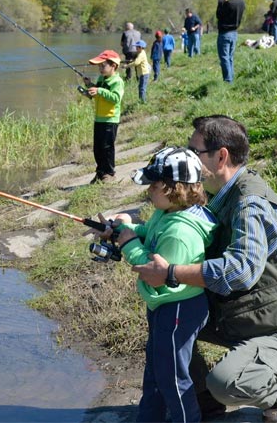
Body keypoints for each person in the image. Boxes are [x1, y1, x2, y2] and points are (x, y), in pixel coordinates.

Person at [131, 115, 277, 423]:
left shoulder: (250, 204)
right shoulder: (218, 194)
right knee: (168, 325)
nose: (188, 157)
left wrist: (171, 273)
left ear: (221, 156)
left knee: (228, 384)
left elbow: (240, 270)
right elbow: (178, 229)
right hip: (245, 313)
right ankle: (203, 399)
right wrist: (128, 234)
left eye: (194, 151)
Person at [93, 147, 217, 423]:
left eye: (154, 185)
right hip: (165, 309)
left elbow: (155, 274)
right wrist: (122, 231)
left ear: (174, 189)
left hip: (178, 309)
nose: (148, 190)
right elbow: (150, 233)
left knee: (172, 377)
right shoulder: (169, 213)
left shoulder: (180, 232)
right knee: (156, 371)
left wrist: (128, 245)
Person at [82, 50, 125, 184]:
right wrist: (90, 86)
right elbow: (98, 93)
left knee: (107, 148)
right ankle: (100, 172)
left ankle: (109, 173)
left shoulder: (117, 81)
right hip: (99, 118)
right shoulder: (101, 79)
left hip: (110, 119)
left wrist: (99, 90)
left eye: (103, 65)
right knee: (98, 148)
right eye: (99, 66)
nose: (100, 68)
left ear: (114, 66)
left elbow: (116, 98)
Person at [216, 0, 246, 83]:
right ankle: (231, 78)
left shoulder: (229, 4)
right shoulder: (242, 2)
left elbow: (219, 15)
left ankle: (228, 81)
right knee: (230, 58)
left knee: (224, 58)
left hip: (225, 33)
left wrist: (221, 2)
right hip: (234, 33)